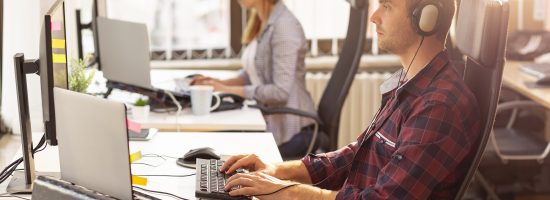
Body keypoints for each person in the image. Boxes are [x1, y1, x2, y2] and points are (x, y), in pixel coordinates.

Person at [218, 0, 482, 199]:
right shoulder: (410, 82)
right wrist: (277, 171)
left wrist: (287, 191)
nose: (375, 17)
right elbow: (356, 155)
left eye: (387, 6)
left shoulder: (438, 106)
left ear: (426, 19)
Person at [193, 0, 318, 158]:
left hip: (292, 132)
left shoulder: (284, 27)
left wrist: (227, 90)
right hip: (271, 123)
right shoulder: (262, 20)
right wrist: (216, 83)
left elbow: (280, 92)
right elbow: (251, 73)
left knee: (223, 153)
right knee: (216, 147)